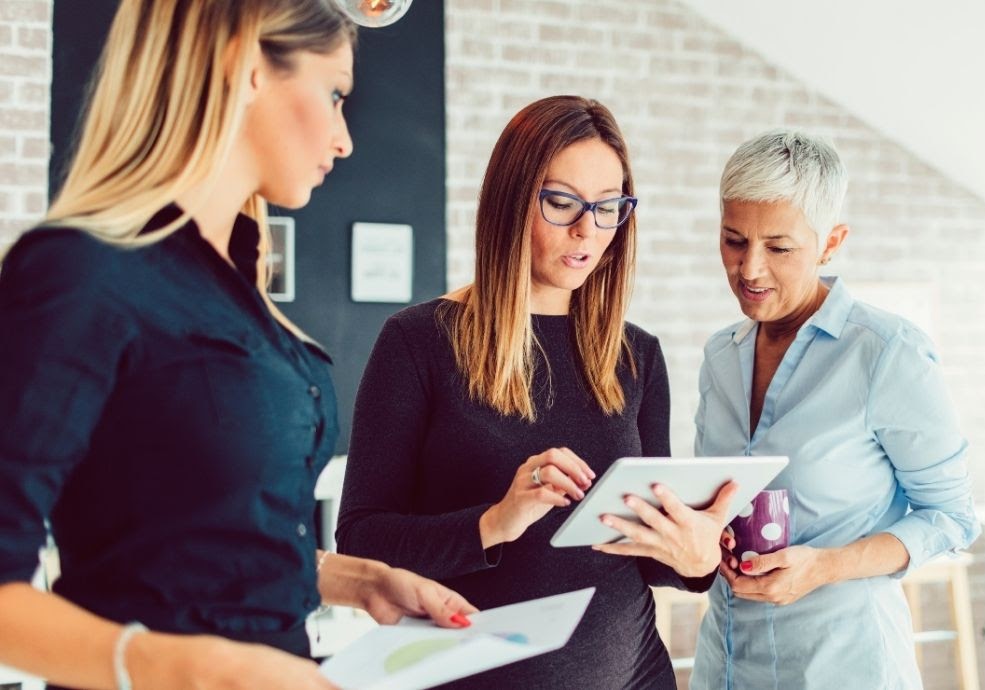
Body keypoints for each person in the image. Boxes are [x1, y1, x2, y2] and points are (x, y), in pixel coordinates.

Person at [0, 2, 475, 689]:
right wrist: (189, 669)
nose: (345, 139)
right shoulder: (79, 273)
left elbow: (195, 542)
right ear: (247, 61)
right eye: (335, 93)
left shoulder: (239, 288)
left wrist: (361, 579)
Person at [336, 95, 737, 689]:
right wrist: (494, 522)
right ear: (510, 199)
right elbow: (361, 541)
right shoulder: (418, 343)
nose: (587, 231)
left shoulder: (637, 354)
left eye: (608, 208)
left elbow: (644, 555)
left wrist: (697, 559)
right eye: (560, 202)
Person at [686, 130, 981, 689]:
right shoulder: (720, 356)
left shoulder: (887, 352)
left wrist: (825, 566)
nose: (749, 269)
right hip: (725, 665)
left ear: (830, 242)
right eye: (733, 240)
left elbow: (952, 518)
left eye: (778, 247)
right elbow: (716, 500)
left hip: (844, 667)